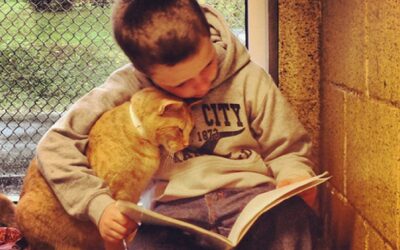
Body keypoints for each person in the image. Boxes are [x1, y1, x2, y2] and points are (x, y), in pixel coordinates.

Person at [36, 0, 319, 249]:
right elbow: (54, 147)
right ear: (145, 73)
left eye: (208, 65)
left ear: (208, 36)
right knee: (144, 245)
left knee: (293, 221)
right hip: (172, 212)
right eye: (180, 83)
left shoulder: (249, 78)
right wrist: (98, 205)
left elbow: (288, 148)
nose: (201, 85)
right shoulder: (129, 87)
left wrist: (293, 173)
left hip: (250, 198)